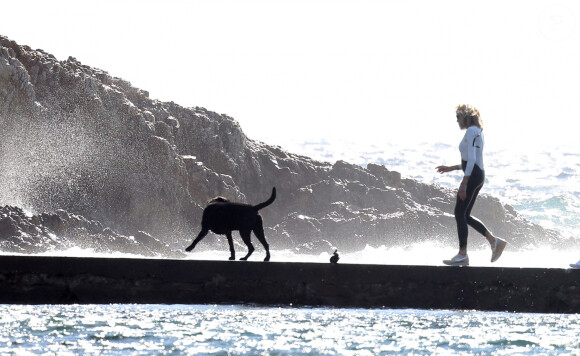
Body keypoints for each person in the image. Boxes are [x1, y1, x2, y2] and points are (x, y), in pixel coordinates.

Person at [436, 104, 507, 266]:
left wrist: (464, 182)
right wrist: (452, 168)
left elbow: (473, 160)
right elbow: (472, 160)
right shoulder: (477, 131)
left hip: (474, 176)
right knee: (465, 215)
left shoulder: (471, 131)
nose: (457, 121)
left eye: (458, 117)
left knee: (459, 212)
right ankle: (494, 241)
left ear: (465, 116)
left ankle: (463, 254)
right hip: (478, 174)